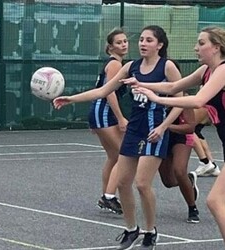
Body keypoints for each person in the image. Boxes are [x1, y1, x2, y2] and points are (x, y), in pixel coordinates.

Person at [54, 25, 183, 249]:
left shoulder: (167, 67)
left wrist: (163, 127)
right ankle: (131, 229)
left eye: (149, 40)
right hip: (135, 129)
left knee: (142, 184)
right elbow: (103, 91)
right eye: (141, 39)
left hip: (155, 130)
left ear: (160, 45)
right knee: (123, 183)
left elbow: (179, 101)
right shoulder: (131, 67)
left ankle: (150, 231)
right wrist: (71, 99)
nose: (143, 43)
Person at [120, 26, 225, 242]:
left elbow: (197, 100)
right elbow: (174, 85)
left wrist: (157, 99)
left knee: (215, 201)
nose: (196, 48)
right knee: (215, 201)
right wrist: (141, 83)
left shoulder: (223, 70)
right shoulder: (206, 71)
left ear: (216, 47)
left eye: (201, 43)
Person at [88, 28, 128, 214]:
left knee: (113, 156)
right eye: (119, 42)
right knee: (124, 155)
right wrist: (120, 118)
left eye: (125, 41)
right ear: (111, 47)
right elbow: (109, 91)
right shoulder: (115, 65)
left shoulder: (116, 64)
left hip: (98, 111)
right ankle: (109, 196)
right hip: (104, 112)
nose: (124, 44)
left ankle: (107, 194)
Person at [158, 105, 200, 223]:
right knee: (169, 182)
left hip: (181, 137)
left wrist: (166, 126)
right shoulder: (153, 97)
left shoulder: (183, 100)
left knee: (179, 170)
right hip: (161, 137)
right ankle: (189, 181)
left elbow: (190, 127)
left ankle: (192, 208)